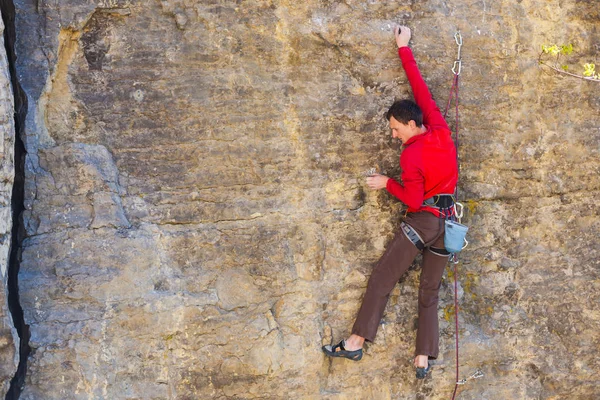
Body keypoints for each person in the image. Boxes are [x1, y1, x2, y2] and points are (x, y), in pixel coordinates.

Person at [322, 25, 458, 379]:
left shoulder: (411, 158)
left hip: (424, 221)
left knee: (382, 278)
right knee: (429, 290)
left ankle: (354, 343)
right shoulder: (440, 129)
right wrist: (403, 47)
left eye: (397, 130)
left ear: (412, 124)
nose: (395, 136)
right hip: (449, 225)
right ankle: (423, 358)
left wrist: (387, 183)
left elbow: (413, 198)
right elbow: (421, 89)